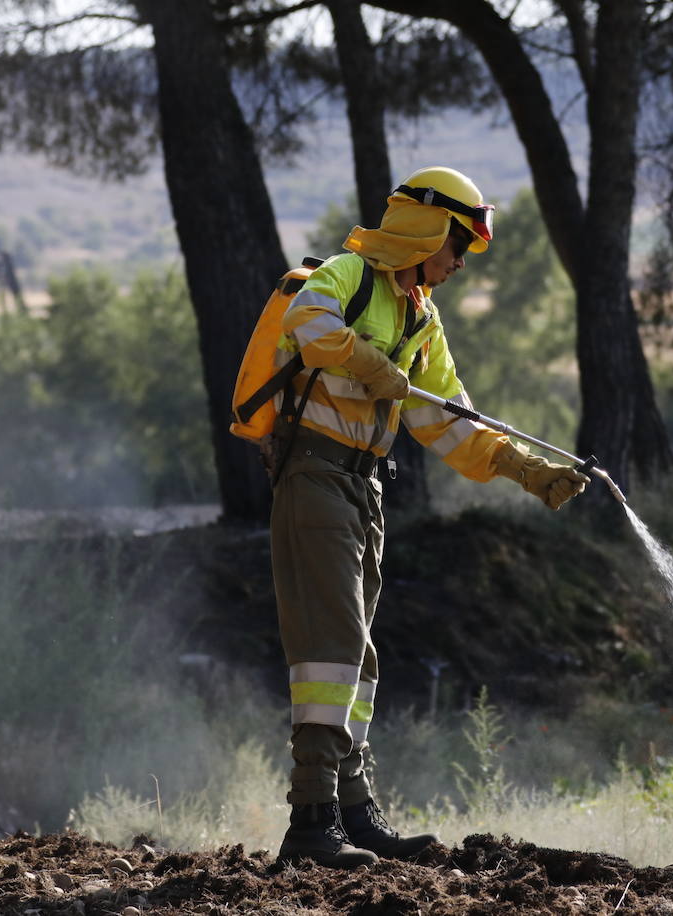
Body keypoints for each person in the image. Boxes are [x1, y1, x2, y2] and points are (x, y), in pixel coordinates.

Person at [268, 166, 589, 867]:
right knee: (330, 651)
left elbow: (448, 420)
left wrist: (526, 470)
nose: (455, 264)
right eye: (455, 246)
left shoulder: (420, 316)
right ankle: (310, 824)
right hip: (314, 477)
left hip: (364, 489)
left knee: (359, 659)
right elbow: (308, 324)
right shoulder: (348, 277)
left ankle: (352, 815)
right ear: (425, 228)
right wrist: (372, 364)